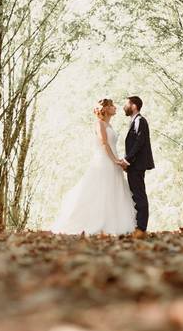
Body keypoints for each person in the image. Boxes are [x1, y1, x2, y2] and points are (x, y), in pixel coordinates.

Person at [49, 98, 137, 236]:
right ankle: (93, 223)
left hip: (113, 162)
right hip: (103, 162)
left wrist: (118, 160)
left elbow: (112, 145)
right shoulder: (100, 124)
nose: (115, 107)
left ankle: (113, 224)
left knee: (114, 192)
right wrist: (114, 160)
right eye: (112, 106)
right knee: (100, 192)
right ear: (105, 109)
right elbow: (104, 143)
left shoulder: (110, 126)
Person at [119, 96, 154, 237]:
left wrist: (127, 160)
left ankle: (141, 227)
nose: (124, 107)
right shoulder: (134, 121)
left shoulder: (140, 121)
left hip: (137, 165)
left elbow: (139, 143)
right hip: (134, 165)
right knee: (136, 194)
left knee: (139, 195)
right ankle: (138, 226)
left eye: (126, 104)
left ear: (134, 106)